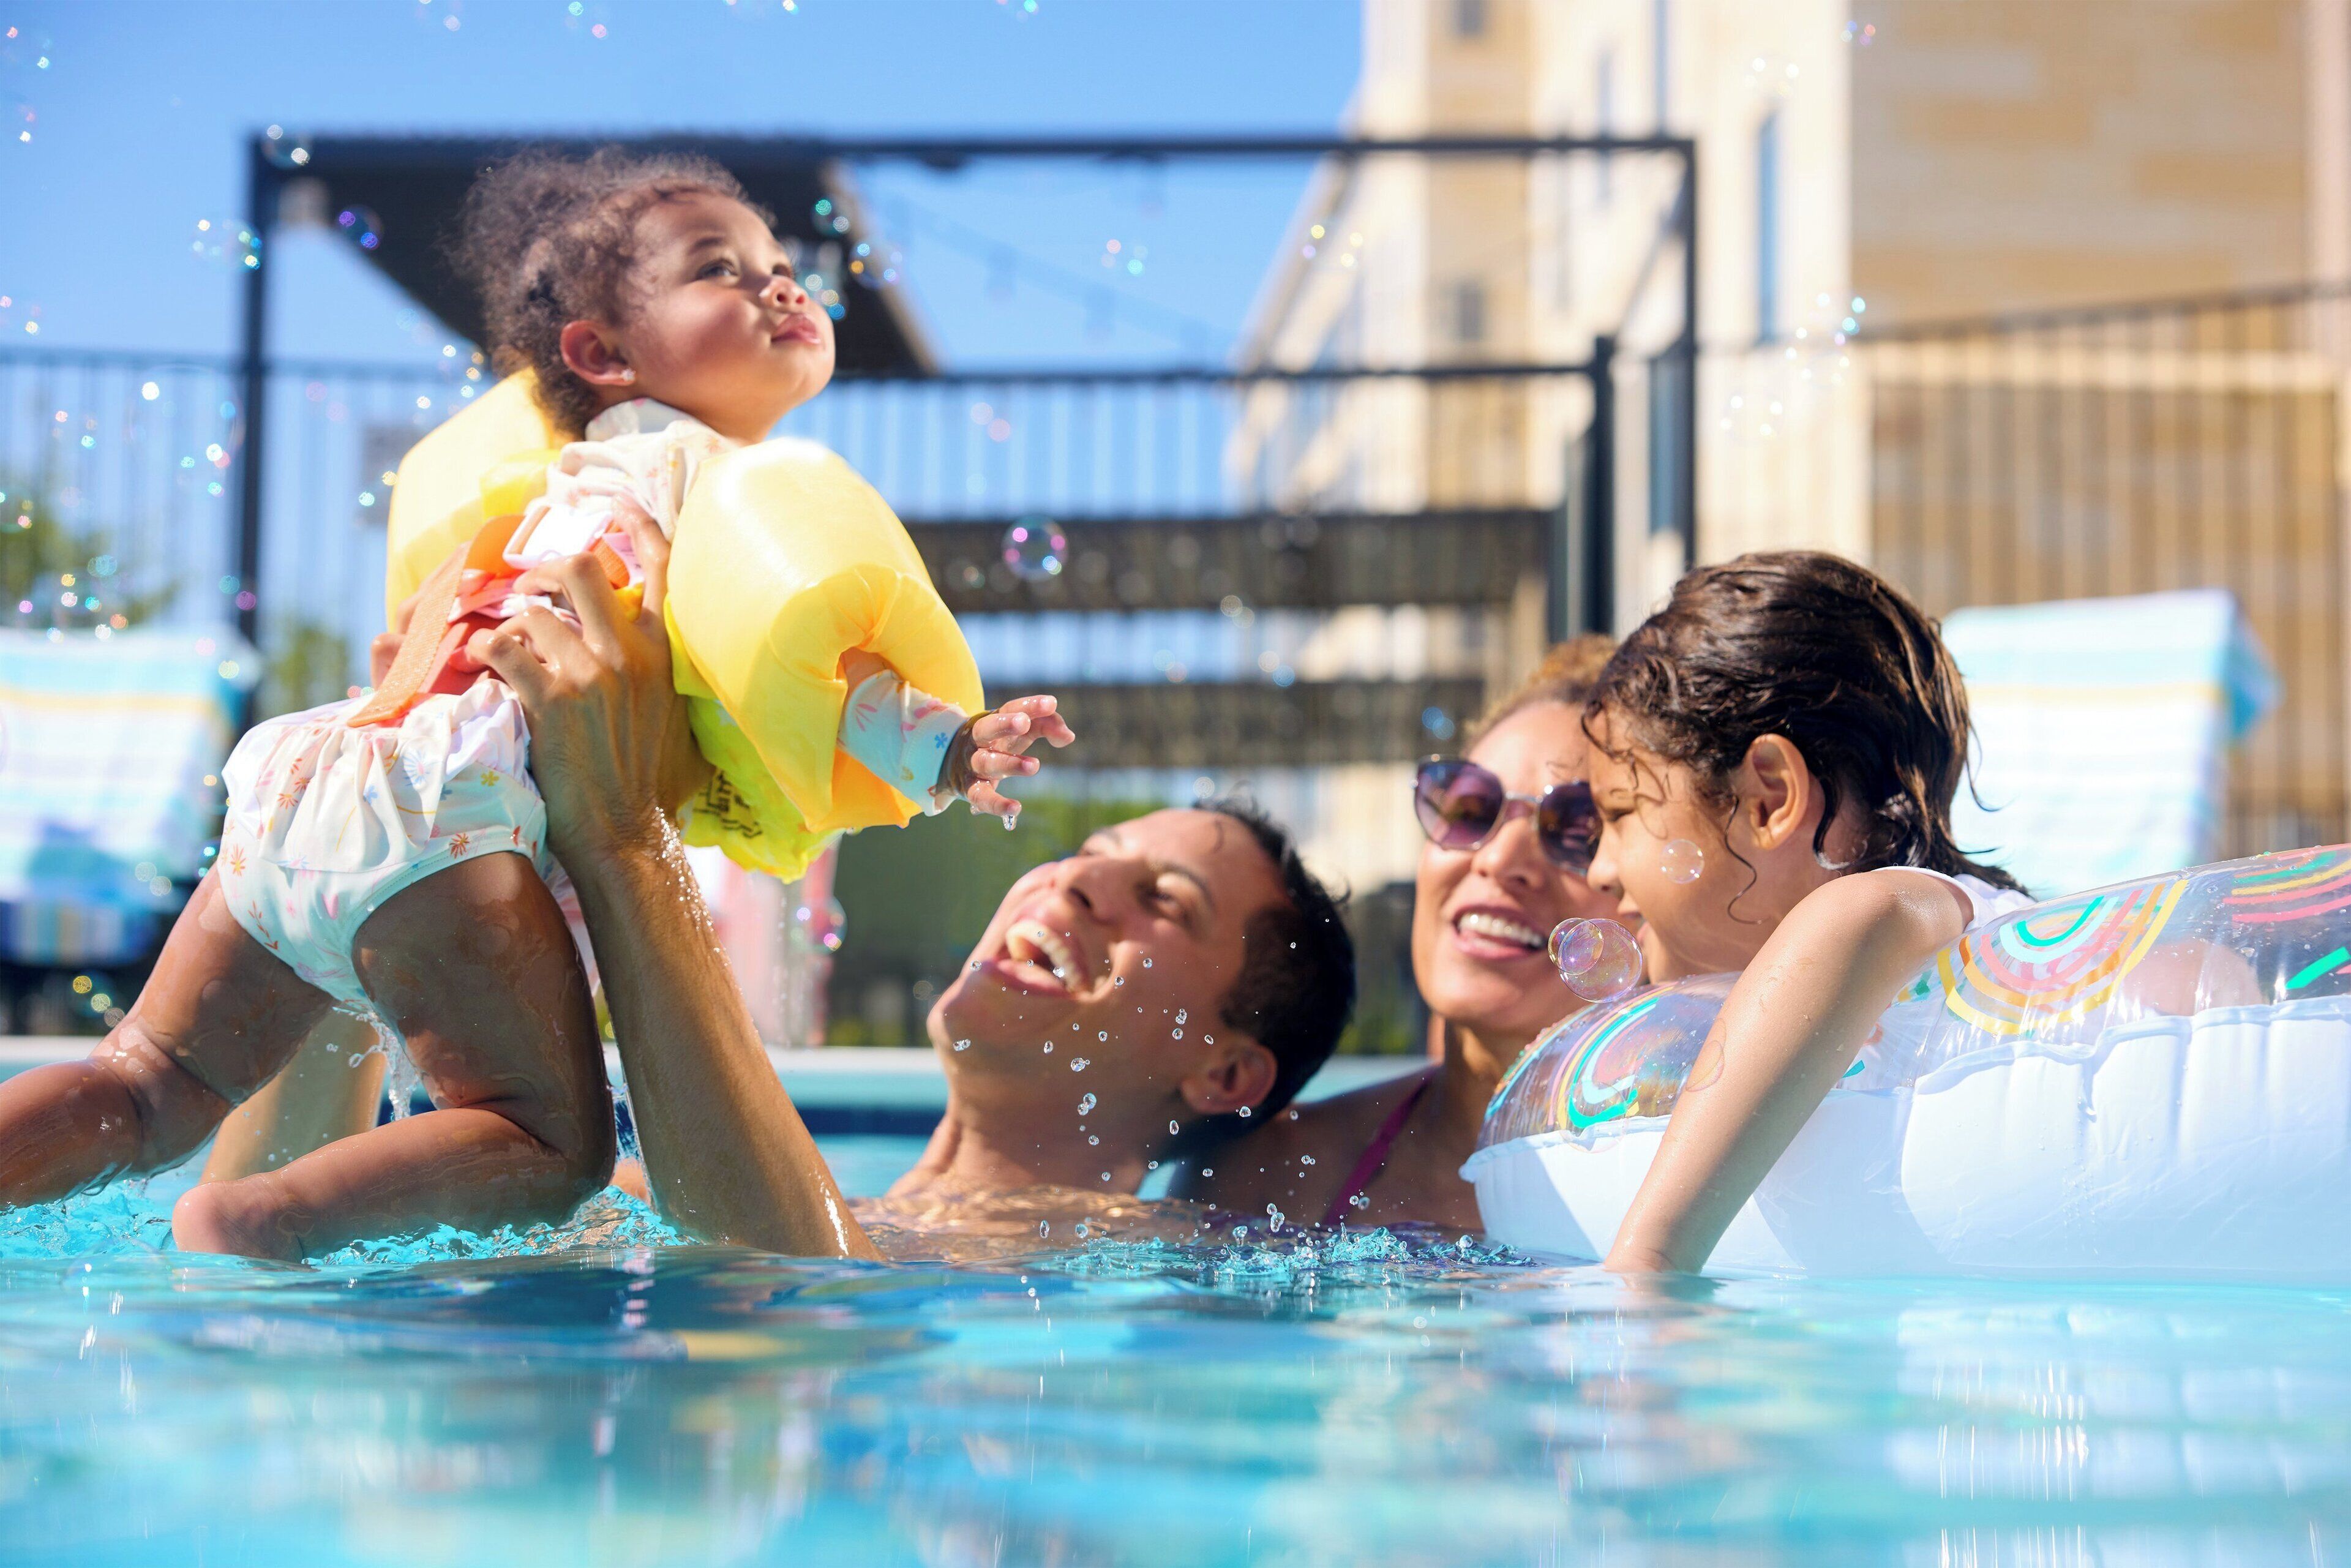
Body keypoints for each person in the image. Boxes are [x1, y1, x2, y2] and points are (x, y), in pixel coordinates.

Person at [0, 148, 1070, 1262]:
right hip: (444, 831)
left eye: (781, 266)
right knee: (551, 1148)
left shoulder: (539, 502)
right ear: (601, 353)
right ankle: (254, 1223)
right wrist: (949, 749)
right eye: (724, 270)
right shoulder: (710, 489)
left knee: (144, 1080)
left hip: (306, 775)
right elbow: (802, 650)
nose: (779, 287)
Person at [201, 523, 1358, 1259]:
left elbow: (787, 1283)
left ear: (1225, 1068)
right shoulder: (638, 1195)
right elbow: (247, 1262)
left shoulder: (1179, 1273)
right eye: (1091, 847)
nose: (1077, 876)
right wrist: (391, 811)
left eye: (1165, 898)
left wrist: (624, 832)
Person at [1575, 551, 2032, 1274]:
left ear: (1769, 797)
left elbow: (1853, 918)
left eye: (1623, 811)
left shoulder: (1923, 908)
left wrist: (1648, 1261)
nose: (1598, 868)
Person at [1173, 637, 1621, 1231]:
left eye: (1577, 829)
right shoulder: (1270, 1176)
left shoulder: (1708, 1182)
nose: (1498, 858)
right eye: (1470, 808)